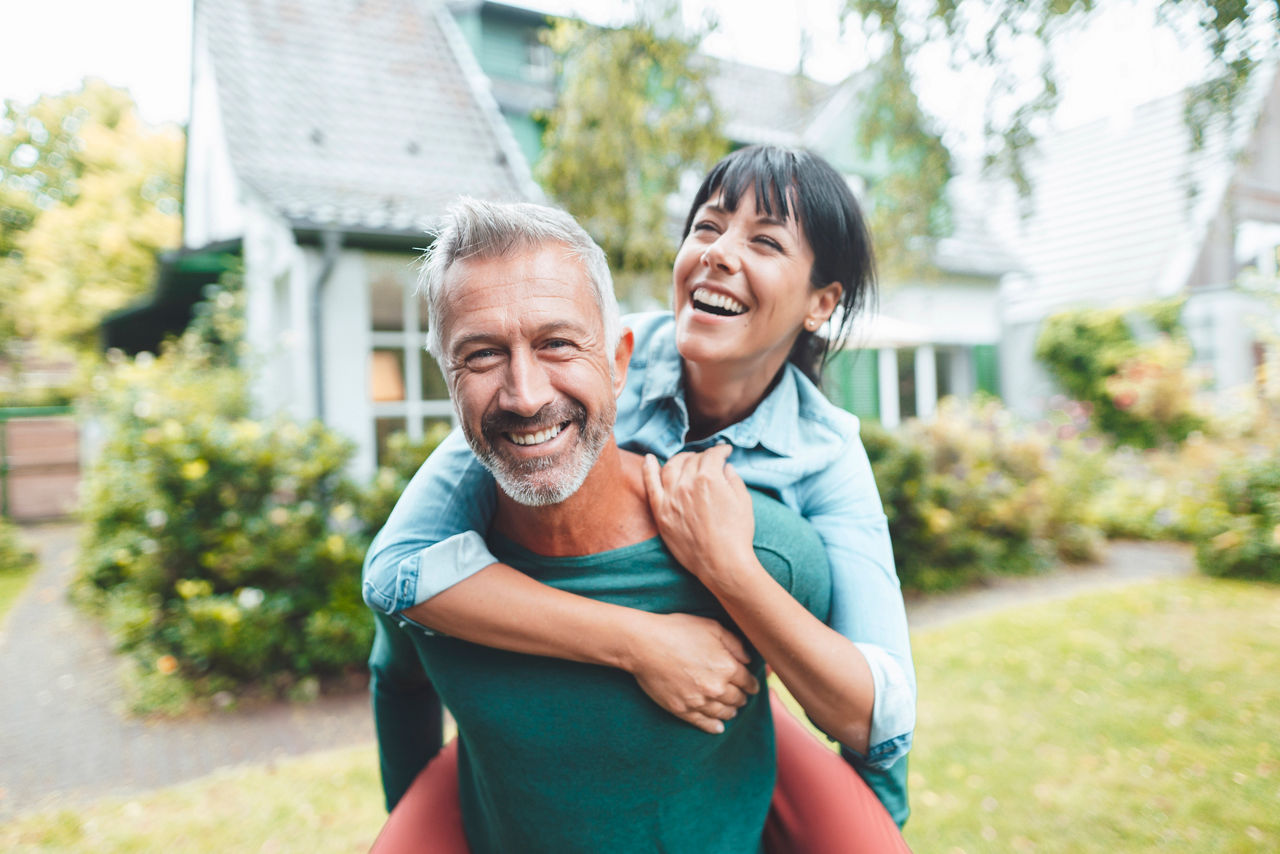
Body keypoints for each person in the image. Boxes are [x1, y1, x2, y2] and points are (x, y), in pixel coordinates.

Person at [365, 145, 916, 844]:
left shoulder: (824, 456)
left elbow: (881, 714)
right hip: (581, 687)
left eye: (766, 240)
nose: (719, 253)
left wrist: (726, 566)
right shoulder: (579, 365)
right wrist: (641, 641)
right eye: (707, 227)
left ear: (821, 303)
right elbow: (395, 572)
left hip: (742, 666)